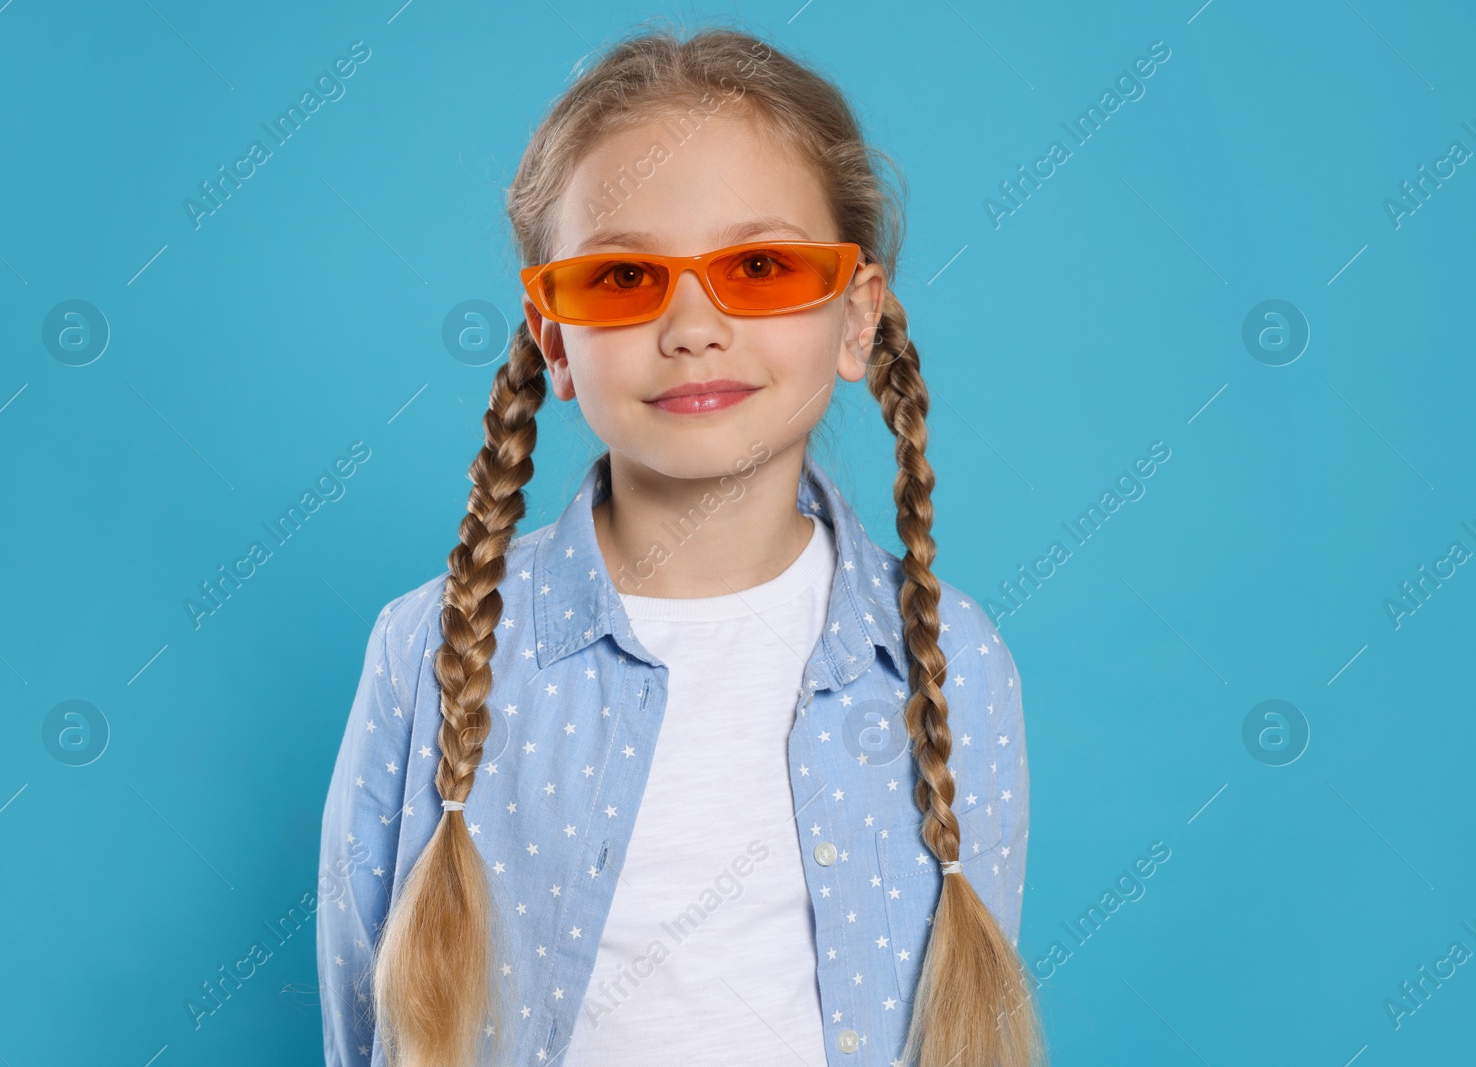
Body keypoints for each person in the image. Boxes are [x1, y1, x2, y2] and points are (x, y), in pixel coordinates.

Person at [318, 21, 1045, 1067]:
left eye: (758, 264)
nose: (693, 326)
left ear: (855, 318)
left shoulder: (954, 664)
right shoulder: (425, 652)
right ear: (553, 340)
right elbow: (364, 1022)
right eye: (623, 278)